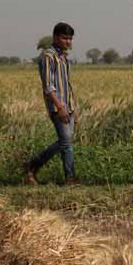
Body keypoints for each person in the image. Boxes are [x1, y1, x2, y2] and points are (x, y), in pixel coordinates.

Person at [25, 22, 80, 186]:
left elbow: (67, 85)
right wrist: (60, 107)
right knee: (66, 143)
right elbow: (48, 86)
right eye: (65, 38)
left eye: (70, 39)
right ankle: (68, 177)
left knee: (66, 143)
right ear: (55, 37)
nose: (68, 42)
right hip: (58, 107)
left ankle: (33, 167)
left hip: (68, 106)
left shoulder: (64, 58)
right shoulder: (48, 56)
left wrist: (73, 108)